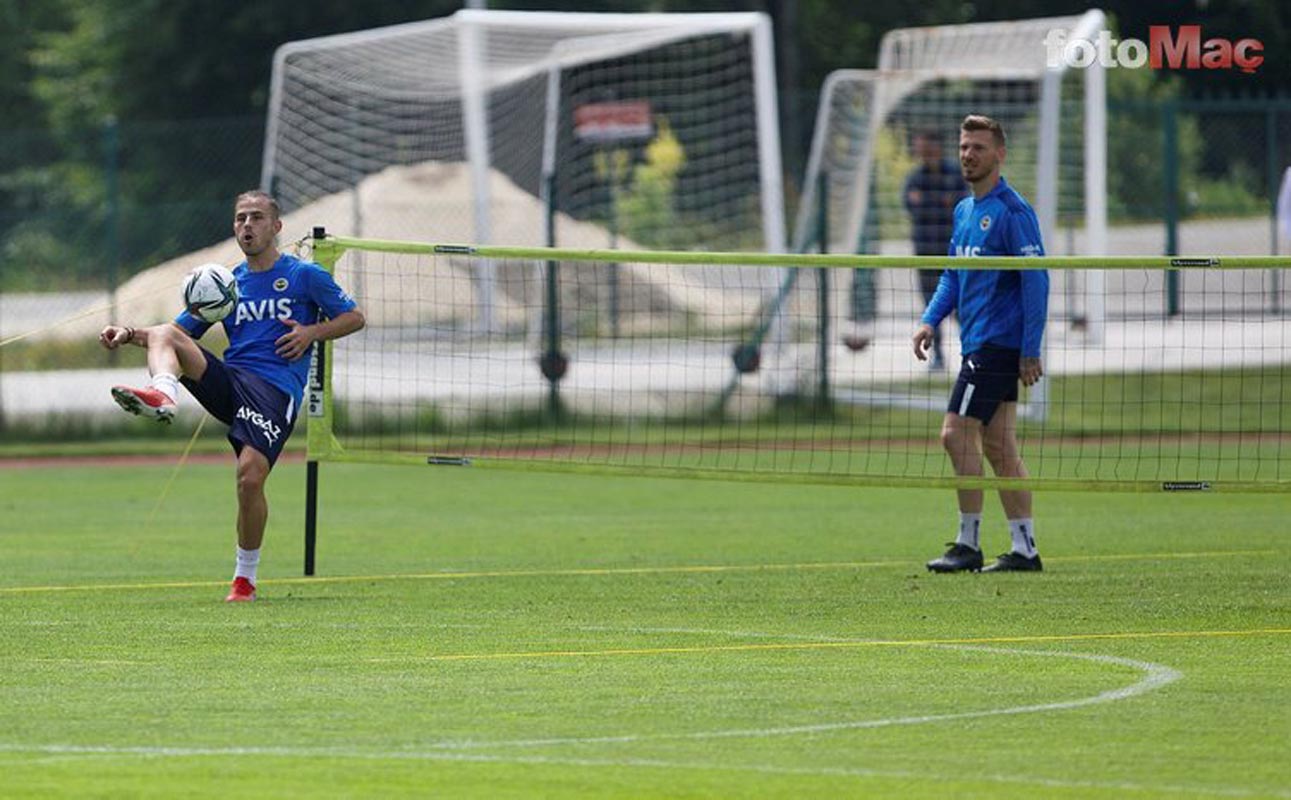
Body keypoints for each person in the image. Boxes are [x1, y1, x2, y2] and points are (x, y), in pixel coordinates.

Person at [99, 190, 365, 601]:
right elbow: (173, 334)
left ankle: (245, 578)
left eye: (257, 218)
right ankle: (163, 393)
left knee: (249, 478)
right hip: (232, 380)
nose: (247, 225)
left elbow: (354, 317)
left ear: (276, 227)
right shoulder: (226, 283)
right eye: (241, 218)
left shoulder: (304, 276)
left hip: (275, 391)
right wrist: (128, 333)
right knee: (169, 333)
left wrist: (312, 332)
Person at [913, 115, 1049, 574]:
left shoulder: (1012, 212)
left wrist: (1030, 348)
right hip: (976, 341)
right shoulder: (963, 211)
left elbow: (1037, 282)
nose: (969, 154)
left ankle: (968, 542)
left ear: (1000, 155)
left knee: (954, 434)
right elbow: (953, 272)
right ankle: (1024, 549)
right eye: (964, 146)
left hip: (997, 345)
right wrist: (931, 320)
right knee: (998, 445)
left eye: (979, 147)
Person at [903, 129, 968, 371]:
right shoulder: (915, 177)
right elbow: (911, 206)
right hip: (925, 252)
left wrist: (929, 203)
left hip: (953, 254)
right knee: (932, 307)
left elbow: (960, 208)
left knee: (962, 305)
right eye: (919, 148)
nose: (922, 153)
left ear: (936, 147)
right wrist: (938, 202)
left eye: (926, 147)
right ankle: (937, 356)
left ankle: (971, 353)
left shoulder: (954, 174)